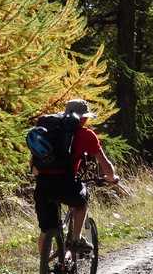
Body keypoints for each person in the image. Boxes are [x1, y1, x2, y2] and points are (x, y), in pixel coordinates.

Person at [33, 99, 118, 254]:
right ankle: (76, 239)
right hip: (66, 183)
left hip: (43, 184)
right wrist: (112, 178)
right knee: (81, 202)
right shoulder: (86, 135)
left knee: (46, 230)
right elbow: (105, 164)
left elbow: (34, 165)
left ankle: (44, 271)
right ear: (84, 118)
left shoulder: (48, 132)